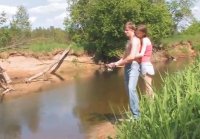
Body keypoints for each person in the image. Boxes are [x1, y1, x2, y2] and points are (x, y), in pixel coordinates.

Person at [107, 21, 141, 118]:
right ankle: (134, 114)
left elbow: (131, 57)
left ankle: (137, 117)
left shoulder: (135, 40)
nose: (124, 31)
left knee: (131, 89)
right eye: (125, 30)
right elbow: (124, 57)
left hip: (134, 66)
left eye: (126, 30)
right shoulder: (128, 42)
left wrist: (117, 64)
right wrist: (114, 64)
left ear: (132, 30)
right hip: (127, 67)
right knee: (128, 91)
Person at [135, 24, 155, 98]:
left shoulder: (145, 40)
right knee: (147, 86)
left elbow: (142, 54)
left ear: (144, 33)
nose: (137, 34)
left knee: (148, 86)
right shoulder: (145, 39)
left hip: (145, 65)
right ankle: (149, 103)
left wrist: (131, 57)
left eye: (138, 33)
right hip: (145, 64)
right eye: (136, 33)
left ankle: (152, 103)